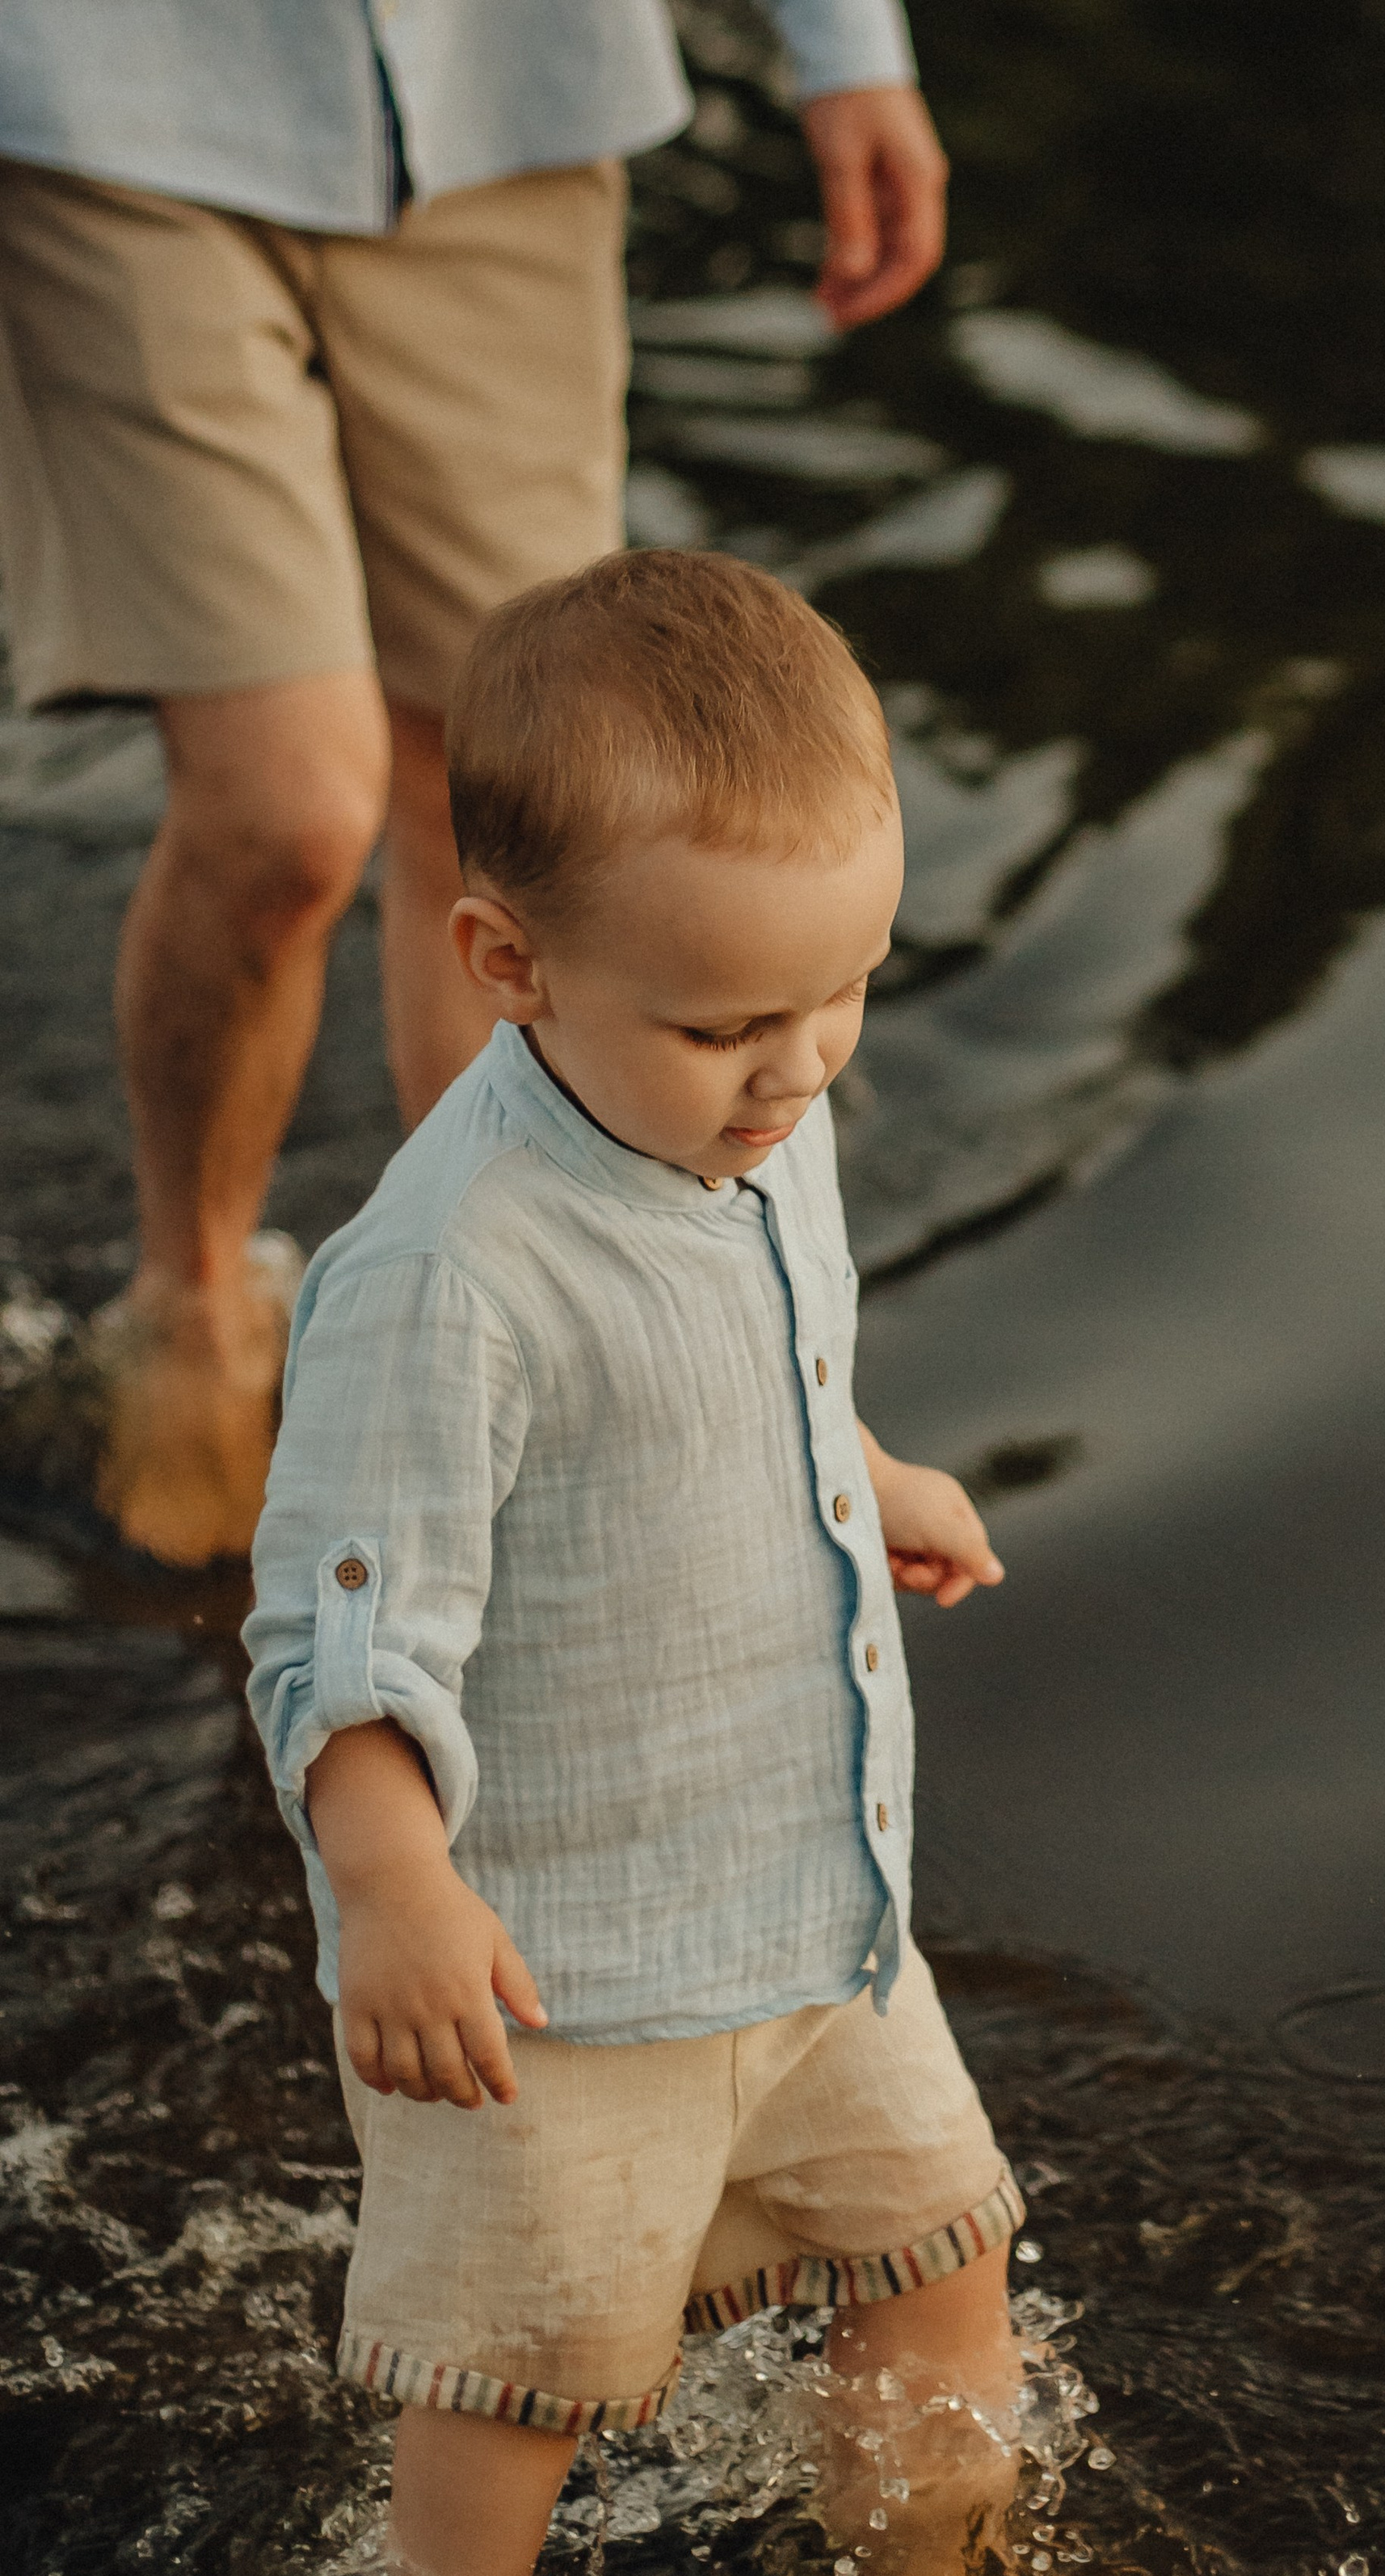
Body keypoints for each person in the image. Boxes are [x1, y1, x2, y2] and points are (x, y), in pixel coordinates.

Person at [242, 549, 1169, 2576]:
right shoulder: (451, 1276)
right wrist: (392, 1888)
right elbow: (333, 1630)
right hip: (558, 1984)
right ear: (506, 962)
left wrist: (863, 1467)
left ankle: (936, 2569)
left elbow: (757, 1363)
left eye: (845, 992)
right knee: (524, 2383)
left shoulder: (754, 1116)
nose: (798, 1065)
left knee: (944, 2247)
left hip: (811, 1905)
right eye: (728, 1022)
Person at [0, 0, 949, 1567]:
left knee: (504, 786)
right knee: (289, 812)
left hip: (506, 88)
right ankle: (194, 1306)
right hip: (116, 96)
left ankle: (517, 1325)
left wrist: (847, 50)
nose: (799, 1074)